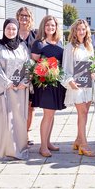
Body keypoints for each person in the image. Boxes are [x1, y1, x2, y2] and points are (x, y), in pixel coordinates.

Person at [0, 18, 30, 160]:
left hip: (20, 90)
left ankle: (18, 148)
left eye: (14, 29)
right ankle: (1, 149)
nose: (11, 31)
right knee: (1, 119)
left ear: (17, 30)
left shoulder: (23, 46)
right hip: (3, 90)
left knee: (17, 119)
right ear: (4, 29)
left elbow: (28, 65)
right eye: (8, 28)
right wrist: (7, 83)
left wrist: (25, 81)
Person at [62, 19, 95, 156]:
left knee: (84, 114)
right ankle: (84, 144)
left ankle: (78, 140)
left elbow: (93, 64)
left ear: (87, 30)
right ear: (74, 31)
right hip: (76, 85)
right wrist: (69, 81)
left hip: (88, 85)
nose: (81, 32)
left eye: (83, 29)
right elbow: (65, 68)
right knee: (82, 113)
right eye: (78, 29)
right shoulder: (70, 47)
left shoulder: (89, 46)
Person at [31, 15, 66, 157]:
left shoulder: (59, 42)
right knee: (47, 115)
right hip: (45, 84)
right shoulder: (38, 43)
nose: (50, 28)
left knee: (52, 115)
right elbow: (34, 65)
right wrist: (46, 72)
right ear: (43, 27)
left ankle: (48, 142)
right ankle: (43, 146)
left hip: (57, 83)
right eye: (47, 25)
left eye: (53, 25)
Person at [16, 7, 36, 145]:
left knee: (30, 106)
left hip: (32, 75)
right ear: (18, 17)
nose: (24, 18)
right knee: (16, 105)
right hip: (15, 75)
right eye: (22, 15)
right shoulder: (12, 32)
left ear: (30, 18)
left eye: (27, 16)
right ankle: (16, 132)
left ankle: (26, 133)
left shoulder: (35, 34)